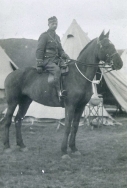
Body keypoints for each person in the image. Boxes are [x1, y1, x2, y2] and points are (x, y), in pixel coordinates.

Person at [36, 16, 70, 101]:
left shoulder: (57, 37)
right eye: (52, 24)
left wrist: (64, 55)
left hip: (56, 60)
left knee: (68, 68)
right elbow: (40, 50)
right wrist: (39, 64)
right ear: (48, 24)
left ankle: (66, 90)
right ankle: (59, 92)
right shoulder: (44, 36)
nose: (55, 25)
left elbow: (60, 50)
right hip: (47, 61)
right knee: (57, 70)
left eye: (56, 24)